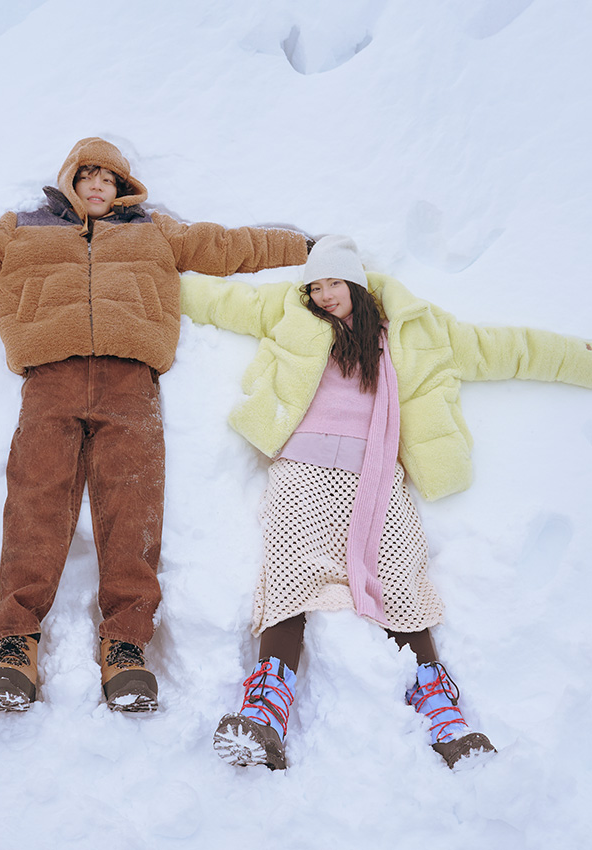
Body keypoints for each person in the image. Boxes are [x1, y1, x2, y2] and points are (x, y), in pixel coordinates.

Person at [0, 136, 311, 714]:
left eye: (108, 179)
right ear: (69, 180)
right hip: (50, 377)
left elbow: (230, 246)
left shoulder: (155, 232)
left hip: (131, 380)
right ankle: (15, 647)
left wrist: (310, 248)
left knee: (132, 507)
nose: (96, 185)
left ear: (122, 188)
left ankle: (126, 647)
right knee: (36, 500)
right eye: (87, 175)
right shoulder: (20, 231)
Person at [179, 235, 592, 769]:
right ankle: (264, 715)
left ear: (358, 281)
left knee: (399, 571)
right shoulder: (286, 310)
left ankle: (444, 716)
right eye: (316, 286)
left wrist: (582, 360)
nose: (325, 295)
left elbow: (505, 348)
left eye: (335, 283)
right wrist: (138, 279)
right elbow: (215, 301)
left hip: (376, 475)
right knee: (289, 573)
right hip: (300, 469)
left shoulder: (418, 330)